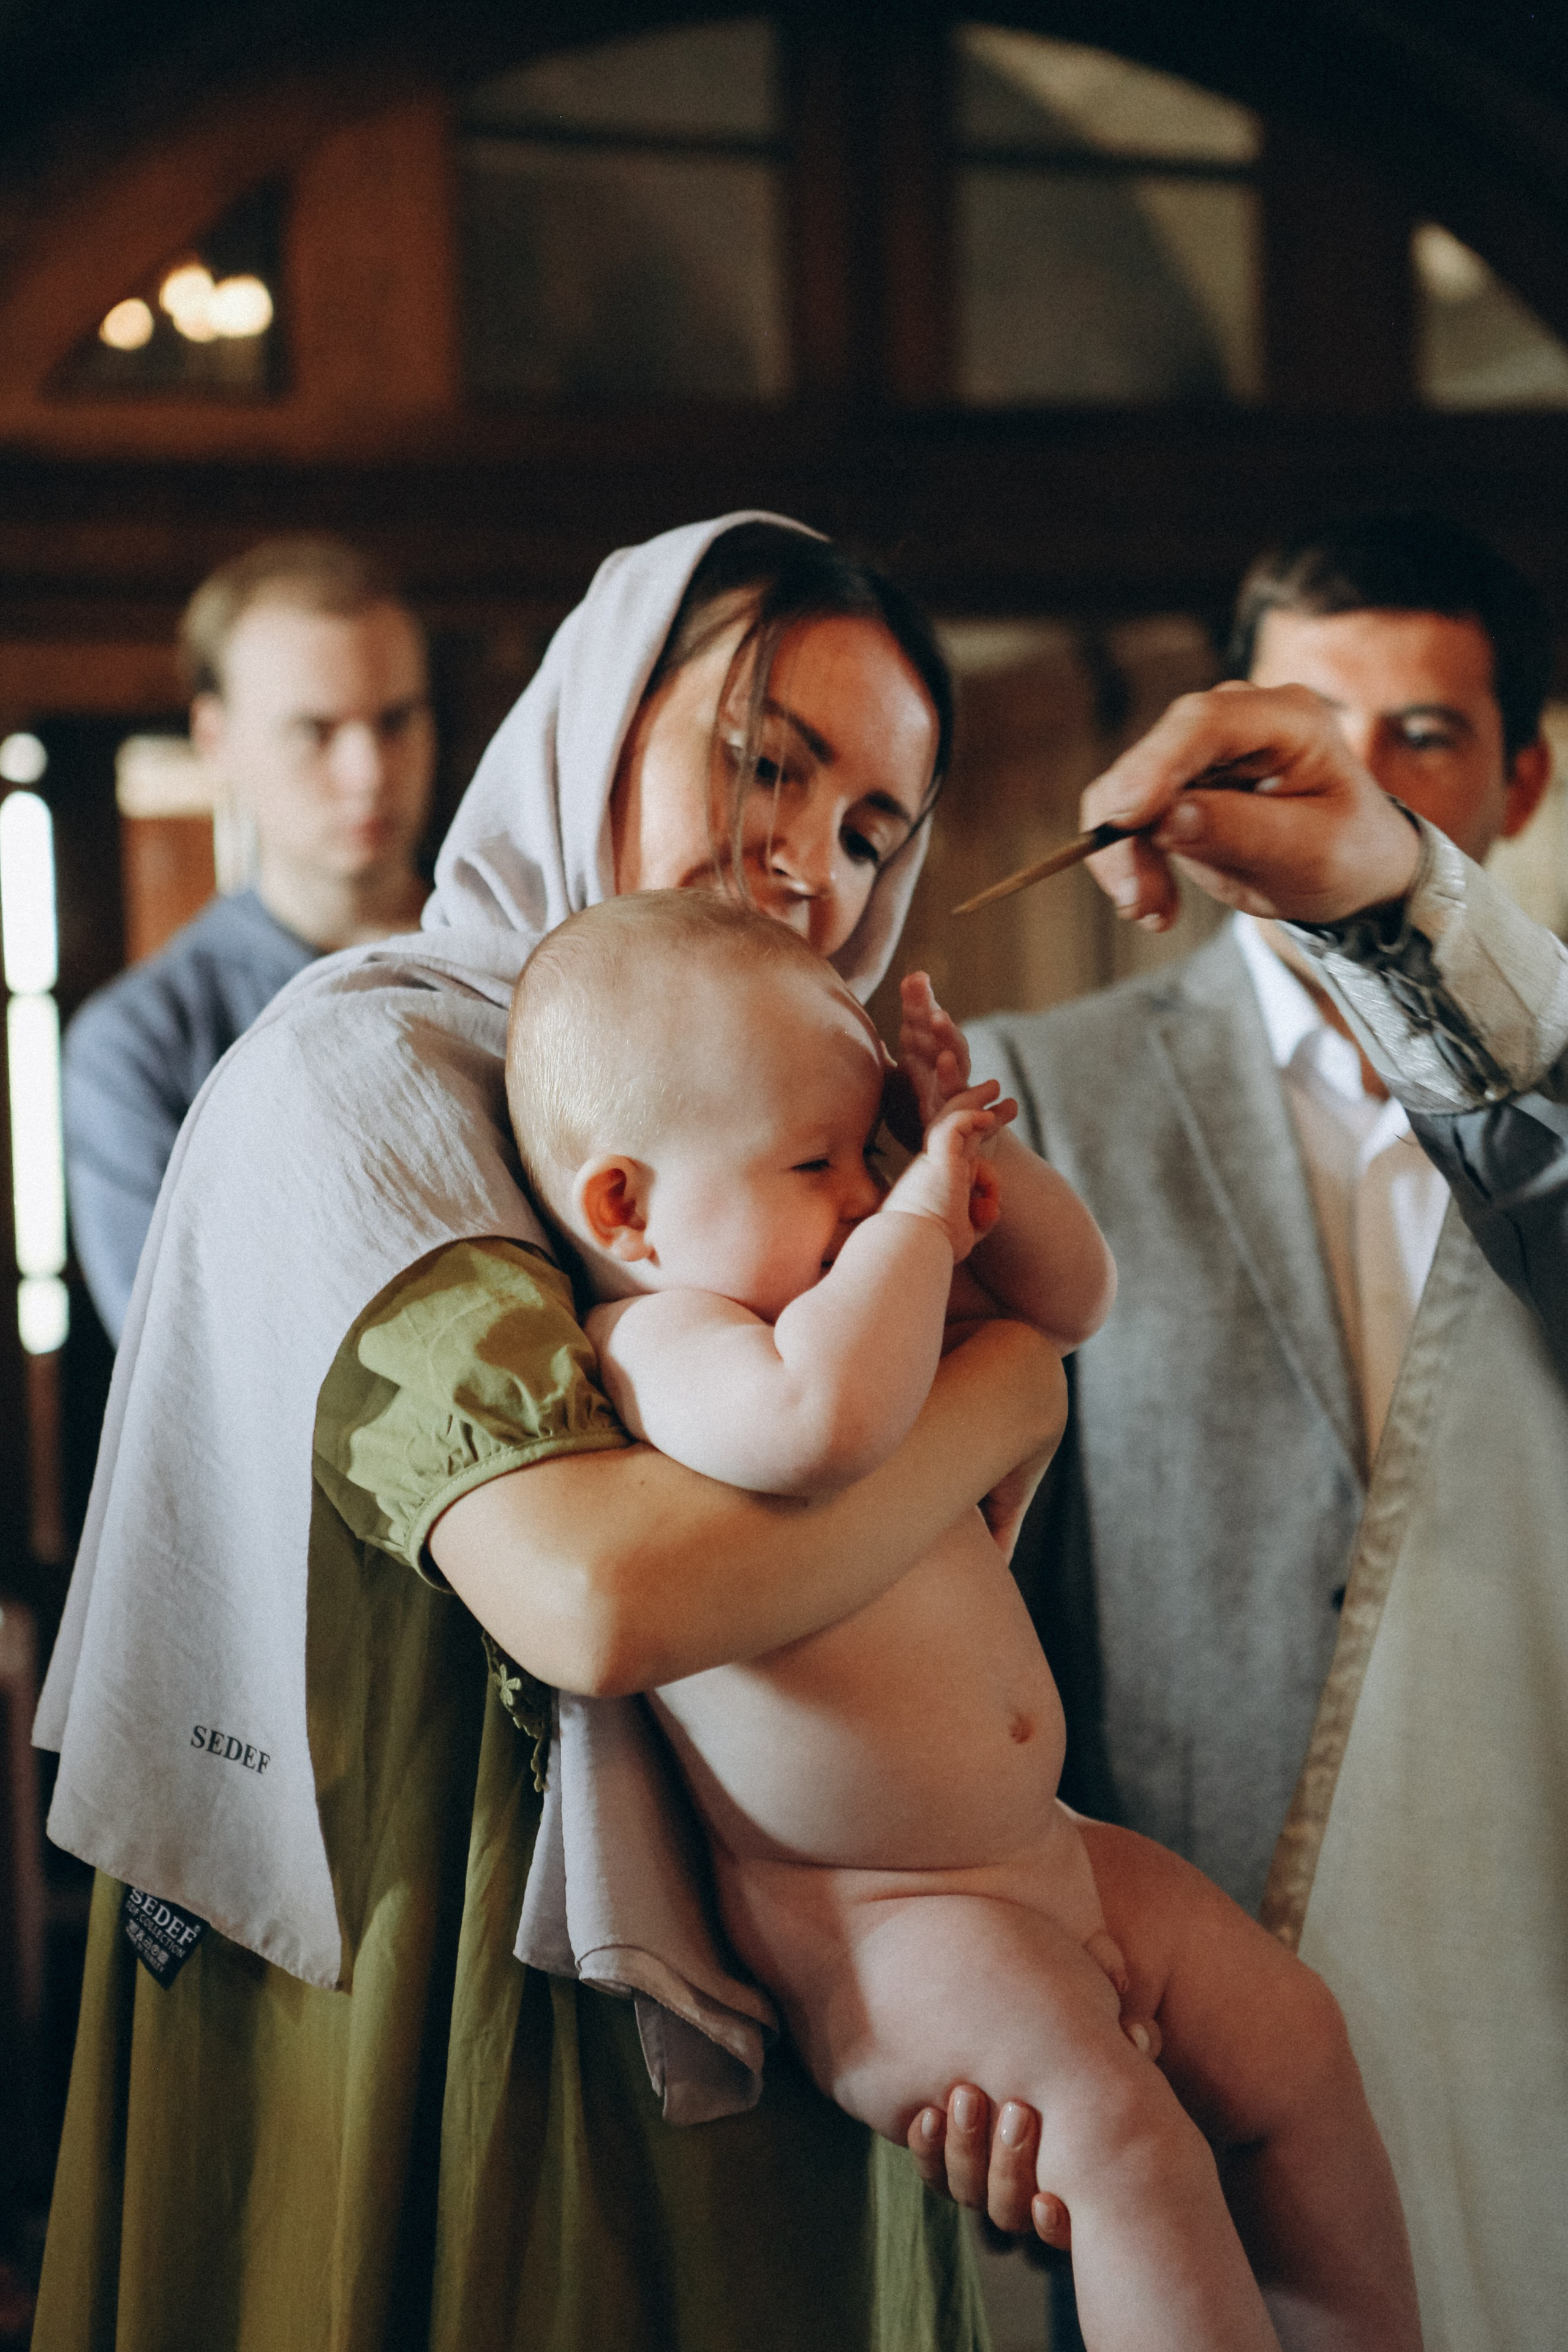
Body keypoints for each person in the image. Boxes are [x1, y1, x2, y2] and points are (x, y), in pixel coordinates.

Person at [33, 517, 1066, 2352]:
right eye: (763, 762)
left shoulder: (847, 1140)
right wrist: (1009, 1384)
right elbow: (593, 1598)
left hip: (810, 1963)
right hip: (445, 1964)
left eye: (867, 833)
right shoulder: (375, 1075)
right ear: (594, 722)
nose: (805, 862)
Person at [506, 888, 1420, 2352]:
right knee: (1126, 2148)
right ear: (627, 1208)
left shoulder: (841, 1271)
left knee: (1295, 2044)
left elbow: (1071, 1297)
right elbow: (825, 1424)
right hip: (889, 1922)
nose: (865, 1194)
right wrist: (921, 1214)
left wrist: (969, 1153)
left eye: (867, 1154)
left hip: (1045, 1848)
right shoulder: (669, 1341)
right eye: (819, 1160)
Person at [955, 514, 1567, 2346]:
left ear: (1528, 770)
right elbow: (995, 1595)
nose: (1350, 791)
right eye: (1301, 734)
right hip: (1188, 1999)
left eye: (1426, 741)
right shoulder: (1036, 1090)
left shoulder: (1548, 1086)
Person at [62, 535, 435, 1341]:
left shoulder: (530, 962)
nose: (370, 770)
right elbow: (181, 1363)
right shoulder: (136, 1045)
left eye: (397, 719)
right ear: (216, 740)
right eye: (315, 731)